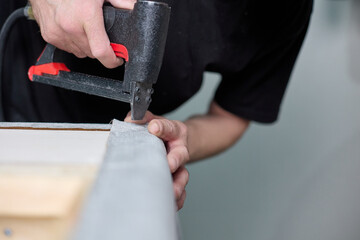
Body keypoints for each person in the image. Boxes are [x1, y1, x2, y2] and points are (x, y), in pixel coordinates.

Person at [0, 0, 313, 210]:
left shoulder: (289, 10)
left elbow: (231, 116)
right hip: (13, 84)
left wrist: (184, 138)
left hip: (104, 168)